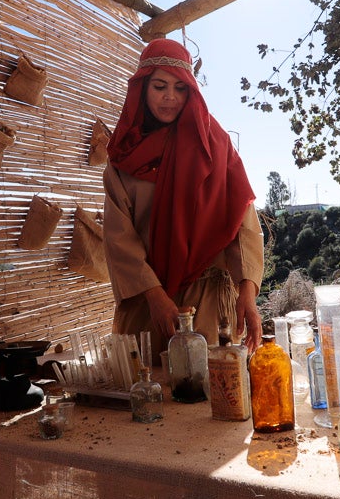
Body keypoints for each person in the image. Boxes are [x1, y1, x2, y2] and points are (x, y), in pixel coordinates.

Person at [103, 37, 263, 357]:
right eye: (160, 86)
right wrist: (154, 295)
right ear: (142, 89)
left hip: (206, 304)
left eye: (180, 88)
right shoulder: (123, 157)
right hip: (147, 307)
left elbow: (240, 220)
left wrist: (247, 291)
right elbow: (119, 238)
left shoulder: (213, 145)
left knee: (210, 394)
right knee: (147, 393)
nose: (170, 98)